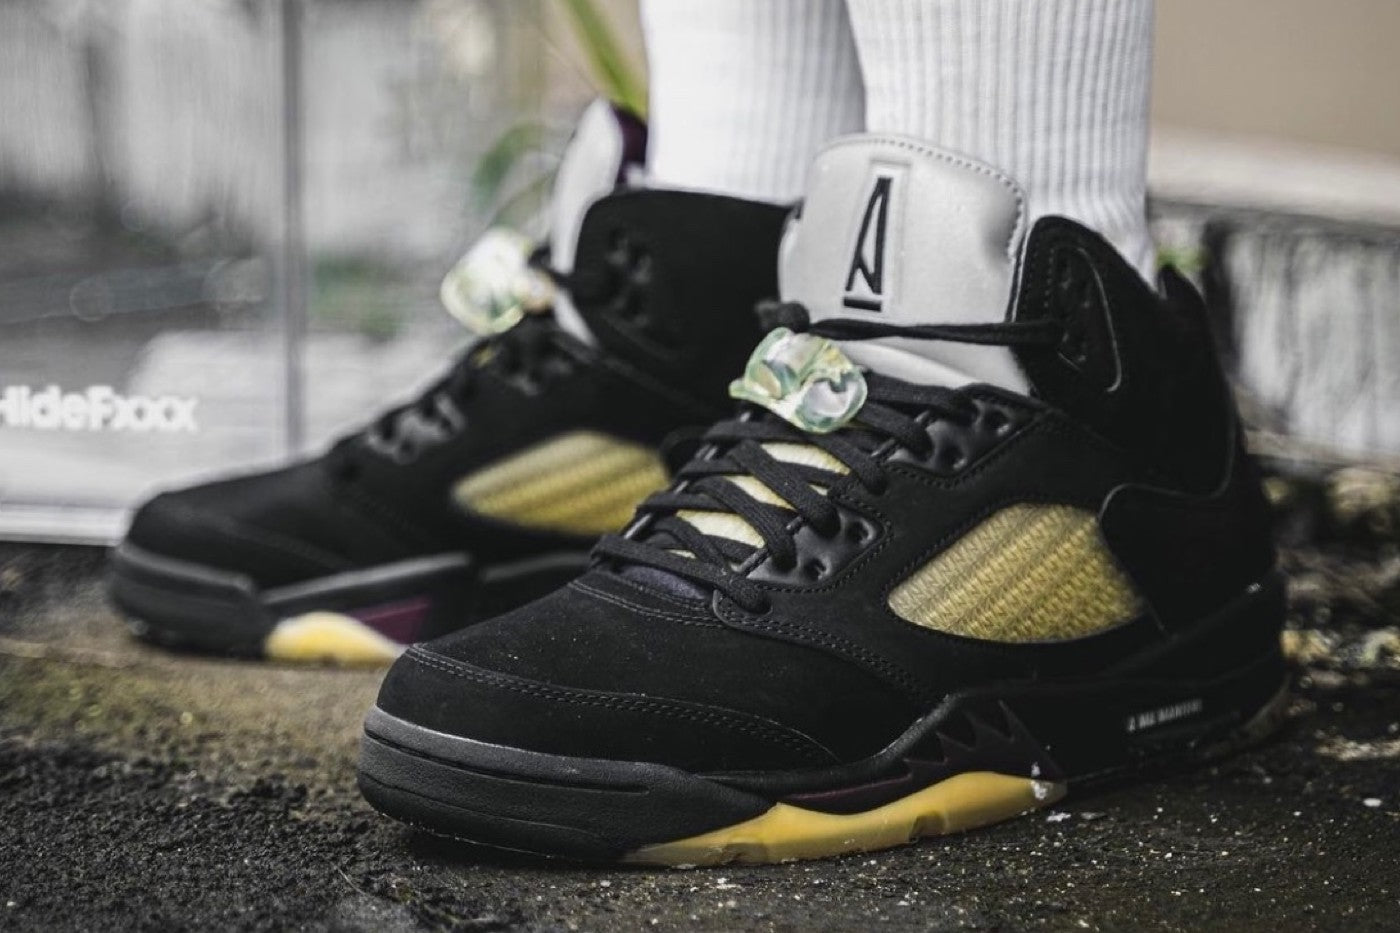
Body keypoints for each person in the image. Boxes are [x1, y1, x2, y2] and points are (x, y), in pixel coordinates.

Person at [131, 0, 1285, 864]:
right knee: (748, 175)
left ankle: (1039, 436)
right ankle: (811, 384)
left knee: (1002, 222)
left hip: (1067, 443)